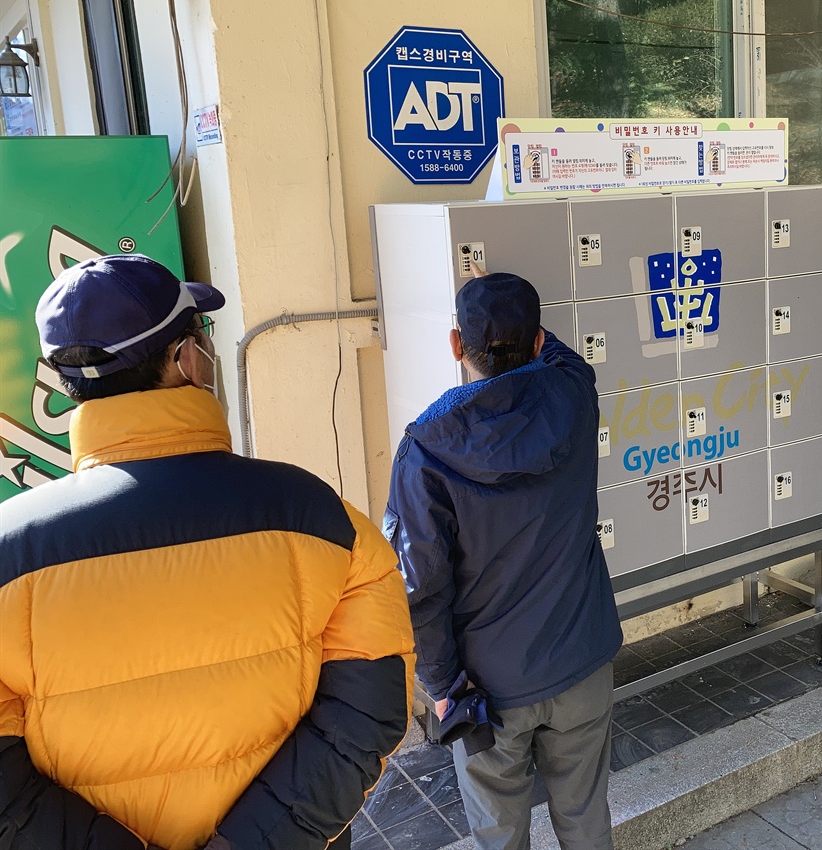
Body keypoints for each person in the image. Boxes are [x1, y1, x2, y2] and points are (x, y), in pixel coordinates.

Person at [0, 254, 415, 850]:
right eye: (201, 333)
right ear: (185, 359)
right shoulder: (316, 516)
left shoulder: (9, 551)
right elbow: (367, 709)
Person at [385, 271, 623, 850]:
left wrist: (440, 684)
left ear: (453, 345)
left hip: (487, 691)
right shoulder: (573, 397)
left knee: (498, 833)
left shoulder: (426, 449)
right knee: (586, 817)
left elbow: (421, 586)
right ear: (540, 342)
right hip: (581, 663)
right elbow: (567, 359)